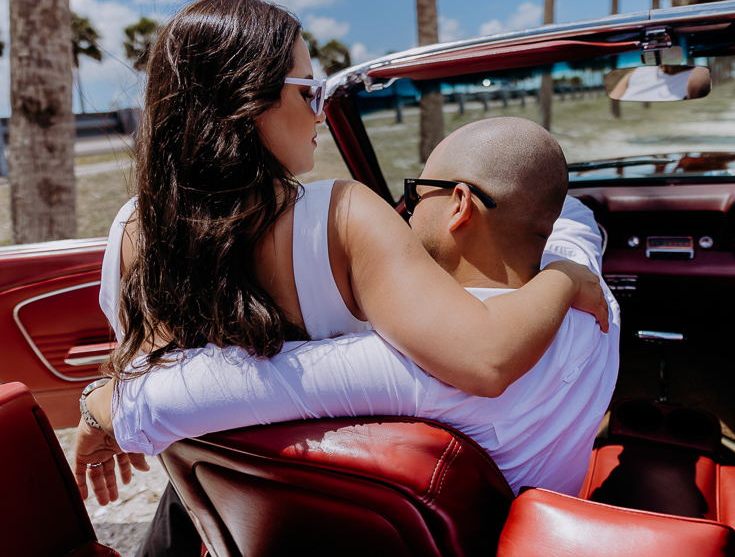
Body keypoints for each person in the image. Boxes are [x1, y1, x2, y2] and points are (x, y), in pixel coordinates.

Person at [72, 0, 608, 502]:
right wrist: (562, 277)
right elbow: (486, 360)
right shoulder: (342, 217)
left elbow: (156, 378)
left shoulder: (127, 234)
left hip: (231, 511)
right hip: (358, 514)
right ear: (247, 99)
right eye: (308, 91)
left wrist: (105, 406)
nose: (321, 113)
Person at [81, 117, 620, 556]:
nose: (401, 210)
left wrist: (96, 408)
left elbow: (171, 397)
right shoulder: (596, 302)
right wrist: (561, 274)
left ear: (459, 205)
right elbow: (572, 217)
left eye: (416, 192)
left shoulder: (412, 370)